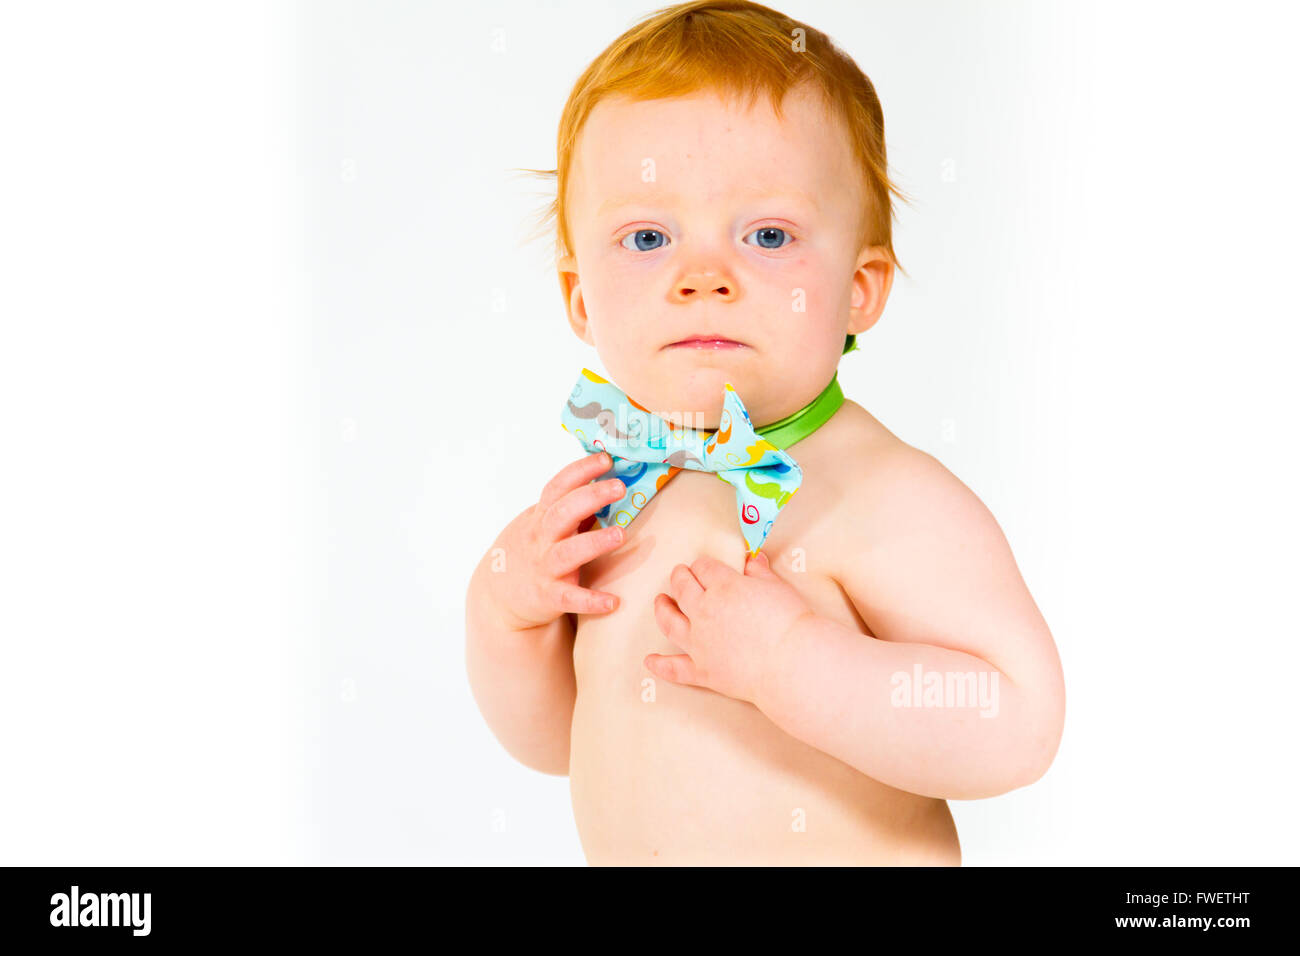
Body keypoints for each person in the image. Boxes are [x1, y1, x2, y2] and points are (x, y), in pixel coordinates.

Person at [466, 0, 1065, 865]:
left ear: (860, 286)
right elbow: (552, 743)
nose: (703, 275)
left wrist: (792, 662)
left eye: (768, 234)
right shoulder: (617, 498)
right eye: (646, 236)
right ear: (579, 299)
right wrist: (509, 617)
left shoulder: (876, 490)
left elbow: (1019, 723)